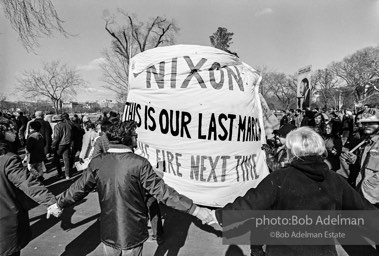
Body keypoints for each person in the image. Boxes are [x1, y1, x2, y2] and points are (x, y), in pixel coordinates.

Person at [52, 120, 213, 255]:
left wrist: (58, 204)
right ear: (128, 139)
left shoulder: (98, 162)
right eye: (135, 135)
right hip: (133, 232)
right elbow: (164, 193)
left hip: (108, 232)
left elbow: (77, 189)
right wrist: (195, 210)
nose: (137, 138)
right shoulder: (139, 163)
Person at [210, 127, 377, 256]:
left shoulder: (279, 178)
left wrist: (217, 216)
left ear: (293, 151)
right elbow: (366, 213)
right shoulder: (336, 180)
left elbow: (249, 204)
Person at [0, 121, 60, 256]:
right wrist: (51, 202)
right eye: (11, 130)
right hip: (6, 220)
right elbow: (28, 183)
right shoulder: (8, 160)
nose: (15, 132)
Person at [341, 108, 379, 206]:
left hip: (374, 198)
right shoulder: (365, 141)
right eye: (364, 123)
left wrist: (369, 185)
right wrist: (354, 159)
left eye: (371, 123)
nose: (366, 126)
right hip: (362, 194)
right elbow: (365, 165)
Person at [52, 113, 72, 180]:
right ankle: (67, 175)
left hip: (60, 144)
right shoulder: (68, 125)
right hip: (67, 143)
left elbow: (56, 137)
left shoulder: (57, 126)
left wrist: (53, 145)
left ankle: (60, 174)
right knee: (66, 159)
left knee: (56, 159)